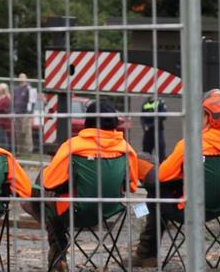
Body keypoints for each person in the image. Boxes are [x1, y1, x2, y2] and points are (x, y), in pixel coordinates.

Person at [133, 89, 220, 267]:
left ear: (208, 117)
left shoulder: (190, 144)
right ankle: (145, 247)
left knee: (150, 178)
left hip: (188, 209)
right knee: (158, 191)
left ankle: (146, 253)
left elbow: (162, 175)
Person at [21, 101, 139, 270]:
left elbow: (50, 182)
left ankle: (58, 249)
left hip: (75, 211)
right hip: (110, 211)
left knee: (42, 192)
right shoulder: (126, 150)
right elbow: (131, 186)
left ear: (88, 121)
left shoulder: (73, 146)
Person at [141, 96, 167, 161]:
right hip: (148, 132)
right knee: (146, 151)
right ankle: (145, 166)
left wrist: (150, 126)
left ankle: (161, 166)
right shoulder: (145, 103)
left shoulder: (160, 102)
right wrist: (144, 126)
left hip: (158, 130)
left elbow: (162, 116)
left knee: (160, 150)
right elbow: (142, 117)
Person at [13, 73, 33, 153]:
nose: (21, 78)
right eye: (19, 77)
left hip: (26, 114)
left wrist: (29, 114)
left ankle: (28, 150)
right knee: (18, 133)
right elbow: (14, 100)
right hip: (17, 114)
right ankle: (19, 150)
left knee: (26, 132)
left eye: (23, 77)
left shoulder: (29, 88)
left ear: (26, 78)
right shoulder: (16, 89)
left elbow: (32, 102)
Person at [0, 83, 11, 149]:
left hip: (3, 120)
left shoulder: (7, 97)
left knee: (2, 134)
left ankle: (5, 148)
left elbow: (2, 107)